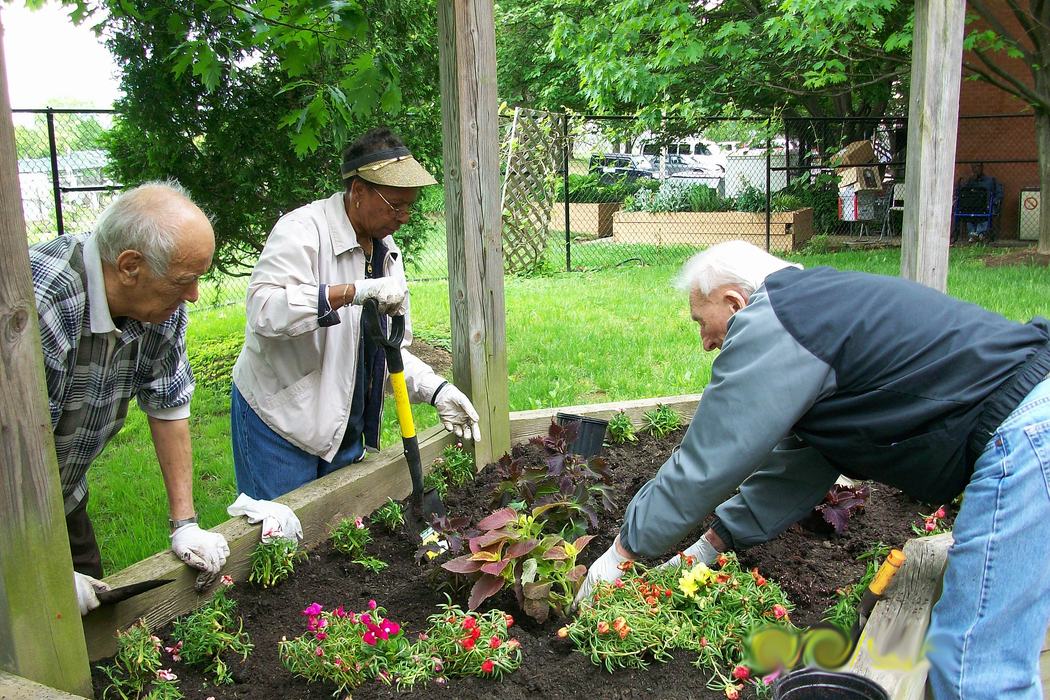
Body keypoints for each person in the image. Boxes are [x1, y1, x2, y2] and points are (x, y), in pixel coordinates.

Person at [577, 241, 1050, 698]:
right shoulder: (819, 317)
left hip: (1029, 434)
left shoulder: (776, 320)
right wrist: (709, 546)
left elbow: (709, 460)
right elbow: (806, 463)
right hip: (1034, 420)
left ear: (735, 301)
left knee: (975, 668)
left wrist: (622, 553)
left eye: (702, 321)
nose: (705, 342)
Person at [231, 127, 481, 501]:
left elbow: (384, 349)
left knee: (333, 538)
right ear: (359, 191)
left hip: (342, 421)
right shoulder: (301, 231)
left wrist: (435, 389)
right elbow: (264, 310)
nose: (404, 217)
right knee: (280, 542)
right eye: (396, 205)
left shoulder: (385, 250)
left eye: (410, 206)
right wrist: (352, 292)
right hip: (279, 422)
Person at [29, 181, 231, 616]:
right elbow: (13, 455)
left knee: (96, 627)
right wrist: (37, 573)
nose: (194, 295)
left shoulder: (161, 307)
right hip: (15, 490)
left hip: (61, 494)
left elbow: (168, 403)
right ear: (129, 266)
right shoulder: (38, 306)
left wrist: (186, 524)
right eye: (185, 280)